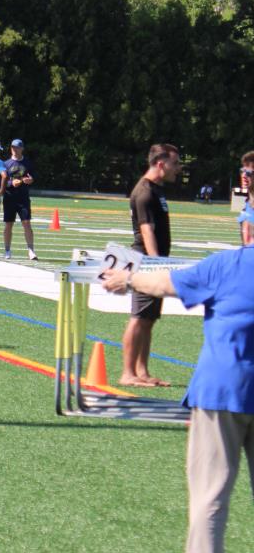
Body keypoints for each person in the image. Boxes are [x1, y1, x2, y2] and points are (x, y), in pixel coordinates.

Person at [101, 242, 254, 553]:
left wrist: (127, 279)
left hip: (222, 389)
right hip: (226, 388)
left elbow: (167, 283)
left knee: (210, 490)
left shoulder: (228, 264)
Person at [118, 143, 182, 386]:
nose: (178, 168)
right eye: (175, 163)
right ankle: (127, 373)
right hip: (145, 261)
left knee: (149, 319)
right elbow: (147, 231)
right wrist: (156, 265)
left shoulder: (157, 189)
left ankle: (142, 371)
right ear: (160, 163)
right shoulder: (145, 191)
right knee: (138, 317)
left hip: (154, 260)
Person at [2, 138, 37, 260]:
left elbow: (33, 177)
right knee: (8, 224)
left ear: (22, 149)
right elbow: (1, 181)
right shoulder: (6, 164)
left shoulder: (28, 163)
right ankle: (7, 250)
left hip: (23, 198)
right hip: (9, 197)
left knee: (27, 223)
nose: (14, 149)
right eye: (13, 147)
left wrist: (30, 180)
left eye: (17, 147)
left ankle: (31, 250)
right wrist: (11, 183)